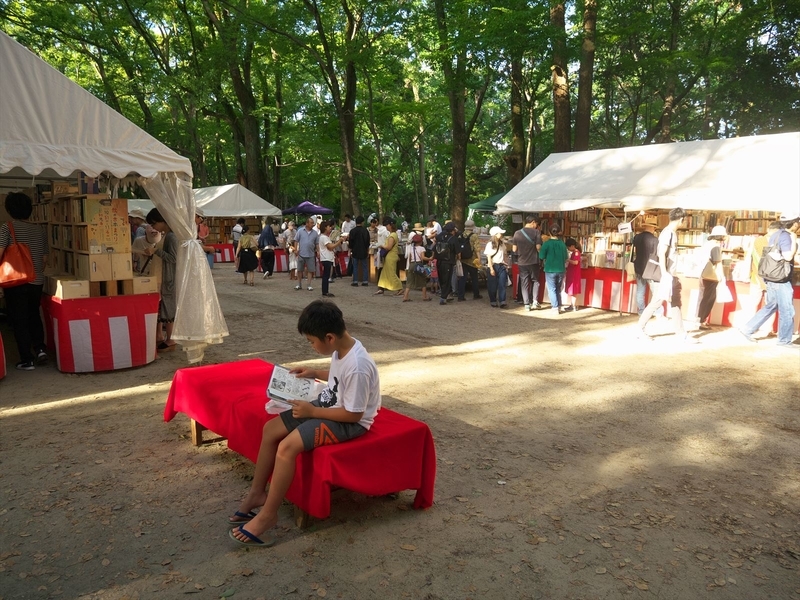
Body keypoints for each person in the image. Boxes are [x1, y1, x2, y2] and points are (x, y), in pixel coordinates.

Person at [228, 300, 381, 547]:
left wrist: (311, 411)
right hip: (330, 406)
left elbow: (354, 415)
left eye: (312, 341)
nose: (311, 345)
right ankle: (257, 494)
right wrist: (314, 373)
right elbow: (337, 379)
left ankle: (268, 515)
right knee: (270, 430)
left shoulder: (359, 366)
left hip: (349, 422)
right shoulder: (341, 349)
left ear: (329, 337)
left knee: (287, 448)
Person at [0, 192, 49, 370]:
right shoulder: (40, 229)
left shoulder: (7, 228)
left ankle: (26, 359)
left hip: (16, 280)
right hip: (36, 280)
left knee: (19, 319)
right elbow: (44, 259)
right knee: (34, 315)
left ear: (10, 210)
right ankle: (41, 349)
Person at [637, 207, 696, 343]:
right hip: (666, 275)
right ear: (681, 219)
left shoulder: (669, 233)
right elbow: (661, 253)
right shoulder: (668, 233)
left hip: (669, 275)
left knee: (675, 303)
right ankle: (640, 329)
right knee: (656, 302)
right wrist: (665, 274)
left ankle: (681, 334)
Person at [739, 217, 797, 347]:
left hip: (771, 277)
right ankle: (784, 340)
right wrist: (793, 240)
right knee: (787, 309)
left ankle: (747, 328)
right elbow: (788, 256)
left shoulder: (774, 235)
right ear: (794, 224)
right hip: (780, 278)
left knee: (771, 306)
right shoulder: (787, 236)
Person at [144, 208, 178, 351]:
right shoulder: (168, 235)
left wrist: (156, 251)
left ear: (161, 221)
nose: (154, 228)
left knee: (168, 307)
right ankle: (168, 338)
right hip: (166, 276)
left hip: (169, 277)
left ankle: (171, 340)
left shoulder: (171, 236)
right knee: (166, 307)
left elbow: (173, 258)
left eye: (154, 224)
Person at [695, 225, 727, 329]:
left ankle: (698, 319)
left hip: (703, 273)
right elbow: (718, 263)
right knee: (709, 299)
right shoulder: (716, 246)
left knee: (702, 297)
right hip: (711, 276)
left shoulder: (707, 244)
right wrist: (722, 276)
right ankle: (702, 320)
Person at [512, 216, 543, 311]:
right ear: (533, 222)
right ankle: (534, 301)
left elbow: (514, 249)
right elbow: (538, 247)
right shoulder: (536, 232)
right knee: (535, 281)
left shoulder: (517, 233)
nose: (536, 226)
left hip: (522, 262)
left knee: (524, 283)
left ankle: (526, 304)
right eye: (537, 224)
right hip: (534, 261)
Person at [631, 222, 660, 316]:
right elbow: (657, 254)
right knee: (655, 293)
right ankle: (658, 312)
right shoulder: (655, 240)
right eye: (654, 228)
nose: (654, 230)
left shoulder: (637, 238)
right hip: (650, 269)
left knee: (640, 291)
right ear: (651, 227)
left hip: (639, 267)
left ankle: (641, 312)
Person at [539, 224, 568, 313]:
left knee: (552, 289)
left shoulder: (546, 244)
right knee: (558, 288)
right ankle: (559, 305)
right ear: (559, 232)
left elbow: (541, 256)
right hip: (561, 269)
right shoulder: (562, 244)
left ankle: (555, 307)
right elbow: (566, 257)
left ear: (549, 232)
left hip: (550, 269)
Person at [375, 219, 403, 296]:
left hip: (391, 256)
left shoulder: (392, 235)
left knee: (391, 273)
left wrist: (381, 245)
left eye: (387, 225)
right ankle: (381, 288)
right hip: (390, 256)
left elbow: (389, 247)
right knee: (385, 273)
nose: (386, 227)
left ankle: (400, 288)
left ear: (390, 226)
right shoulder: (393, 234)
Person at [457, 220, 483, 301]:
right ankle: (476, 294)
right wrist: (479, 259)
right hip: (472, 260)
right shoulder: (474, 236)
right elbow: (477, 249)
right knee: (474, 277)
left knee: (462, 278)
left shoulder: (460, 235)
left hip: (463, 259)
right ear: (473, 227)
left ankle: (460, 296)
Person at [402, 233, 432, 302]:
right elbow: (423, 257)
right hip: (418, 264)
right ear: (421, 241)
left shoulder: (411, 248)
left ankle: (405, 296)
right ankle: (425, 296)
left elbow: (410, 258)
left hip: (412, 264)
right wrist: (430, 259)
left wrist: (410, 265)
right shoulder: (422, 248)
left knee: (409, 281)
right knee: (423, 281)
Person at [484, 226, 508, 308]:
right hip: (493, 265)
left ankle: (502, 300)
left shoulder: (502, 243)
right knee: (492, 285)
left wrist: (506, 263)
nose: (501, 234)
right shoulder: (490, 244)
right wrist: (491, 268)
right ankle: (493, 300)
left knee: (502, 284)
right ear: (495, 234)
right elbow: (489, 257)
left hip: (501, 265)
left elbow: (505, 254)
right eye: (500, 233)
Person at [435, 221, 459, 305]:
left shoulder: (440, 237)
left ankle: (446, 294)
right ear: (453, 230)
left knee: (441, 279)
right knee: (447, 279)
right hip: (448, 262)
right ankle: (443, 297)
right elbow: (457, 252)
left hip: (439, 261)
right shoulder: (454, 239)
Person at [318, 221, 343, 297]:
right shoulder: (324, 237)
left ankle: (325, 291)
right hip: (326, 257)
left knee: (326, 274)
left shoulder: (324, 237)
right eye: (329, 226)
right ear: (325, 227)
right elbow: (330, 247)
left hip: (327, 257)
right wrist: (339, 241)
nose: (330, 228)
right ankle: (325, 291)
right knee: (326, 275)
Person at [294, 217, 319, 291]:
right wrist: (295, 249)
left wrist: (318, 251)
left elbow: (317, 243)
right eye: (311, 223)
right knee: (299, 270)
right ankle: (299, 284)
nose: (313, 224)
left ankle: (309, 284)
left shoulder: (315, 233)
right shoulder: (300, 231)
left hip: (311, 254)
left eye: (313, 223)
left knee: (310, 270)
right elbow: (296, 240)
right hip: (301, 253)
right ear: (307, 223)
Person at [348, 216, 370, 286]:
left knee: (355, 266)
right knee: (364, 266)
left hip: (355, 250)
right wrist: (367, 250)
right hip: (363, 250)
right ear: (362, 222)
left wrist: (350, 249)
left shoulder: (352, 231)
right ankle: (365, 281)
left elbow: (350, 242)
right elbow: (367, 242)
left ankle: (355, 281)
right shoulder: (365, 231)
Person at [564, 238, 582, 311]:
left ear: (572, 246)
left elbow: (576, 262)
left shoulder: (576, 252)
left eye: (568, 247)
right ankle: (572, 305)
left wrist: (568, 260)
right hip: (573, 272)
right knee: (573, 290)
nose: (568, 249)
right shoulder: (575, 252)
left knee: (573, 290)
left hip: (574, 273)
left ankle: (573, 306)